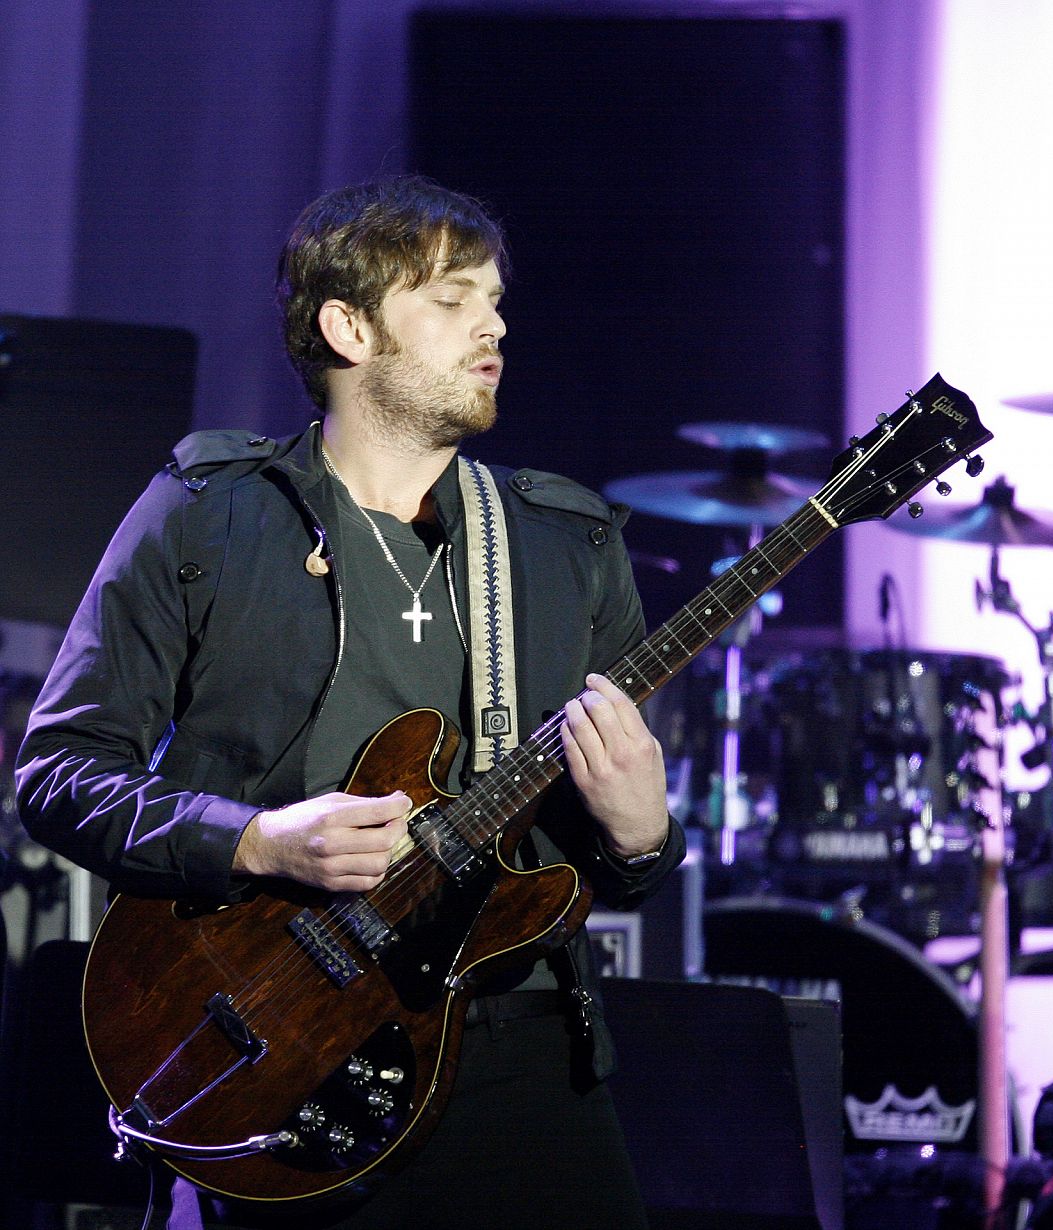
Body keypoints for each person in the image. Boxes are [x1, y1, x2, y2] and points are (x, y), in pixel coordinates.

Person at [14, 175, 684, 1229]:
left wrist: (644, 835)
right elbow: (60, 773)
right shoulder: (206, 517)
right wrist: (256, 840)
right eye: (452, 299)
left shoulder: (567, 543)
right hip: (281, 1033)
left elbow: (604, 866)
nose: (493, 323)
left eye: (496, 300)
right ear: (347, 326)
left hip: (518, 1045)